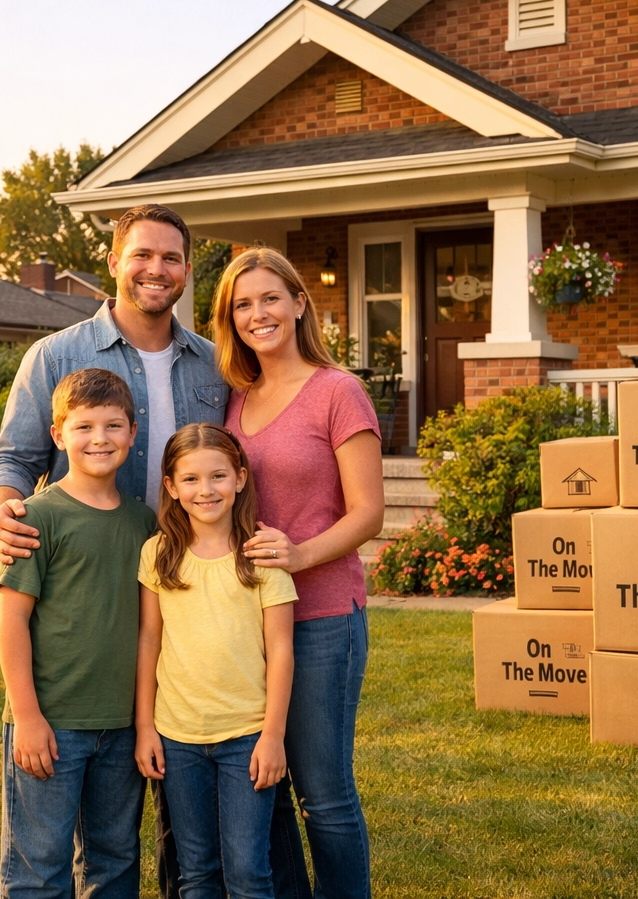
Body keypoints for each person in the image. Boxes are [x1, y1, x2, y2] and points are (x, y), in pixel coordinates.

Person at [0, 202, 224, 897]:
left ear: (186, 270)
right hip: (74, 601)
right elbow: (11, 458)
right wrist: (4, 510)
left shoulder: (213, 364)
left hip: (180, 596)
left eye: (171, 257)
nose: (156, 269)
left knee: (148, 815)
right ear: (114, 262)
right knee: (44, 860)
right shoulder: (56, 356)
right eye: (142, 254)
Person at [213, 247, 385, 899]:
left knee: (323, 793)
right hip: (250, 621)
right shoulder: (237, 397)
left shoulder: (337, 391)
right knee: (267, 783)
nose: (258, 314)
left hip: (321, 618)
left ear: (298, 304)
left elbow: (369, 512)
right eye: (243, 304)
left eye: (270, 298)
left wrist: (300, 556)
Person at [0, 367, 158, 898]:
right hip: (52, 722)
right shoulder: (35, 517)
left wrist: (143, 721)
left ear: (133, 433)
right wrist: (27, 717)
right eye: (84, 426)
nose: (99, 439)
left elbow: (148, 628)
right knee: (39, 869)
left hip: (121, 724)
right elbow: (11, 619)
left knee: (115, 860)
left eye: (113, 426)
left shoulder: (143, 523)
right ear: (58, 435)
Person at [134, 424, 297, 899]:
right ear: (171, 486)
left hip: (247, 737)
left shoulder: (261, 555)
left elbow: (281, 650)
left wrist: (273, 737)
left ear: (240, 478)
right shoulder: (158, 554)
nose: (205, 490)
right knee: (197, 872)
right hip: (177, 737)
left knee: (248, 872)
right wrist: (145, 727)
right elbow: (149, 640)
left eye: (218, 476)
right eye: (190, 479)